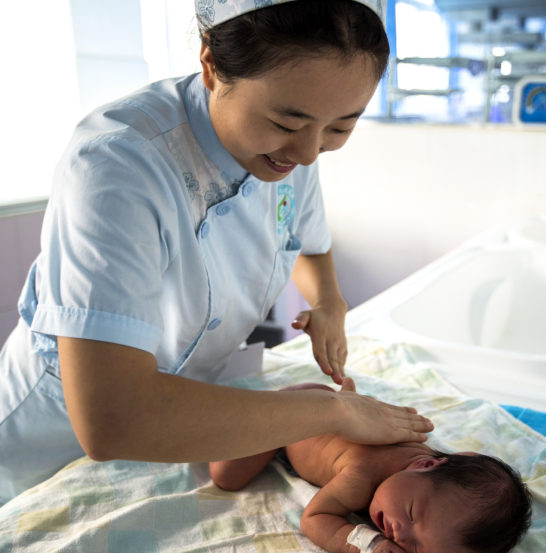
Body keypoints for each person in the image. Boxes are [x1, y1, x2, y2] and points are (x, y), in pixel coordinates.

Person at [0, 0, 434, 506]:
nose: (308, 153)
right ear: (211, 64)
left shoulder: (292, 147)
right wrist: (334, 412)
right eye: (286, 123)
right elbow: (112, 419)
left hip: (187, 414)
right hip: (49, 442)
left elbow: (308, 242)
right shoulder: (117, 165)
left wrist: (328, 302)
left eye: (341, 128)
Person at [210, 382, 533, 553]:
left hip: (334, 407)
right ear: (424, 463)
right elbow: (315, 518)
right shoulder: (361, 476)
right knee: (226, 476)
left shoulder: (430, 470)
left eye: (416, 549)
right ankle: (242, 411)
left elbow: (467, 462)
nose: (399, 534)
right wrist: (367, 543)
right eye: (410, 513)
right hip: (293, 416)